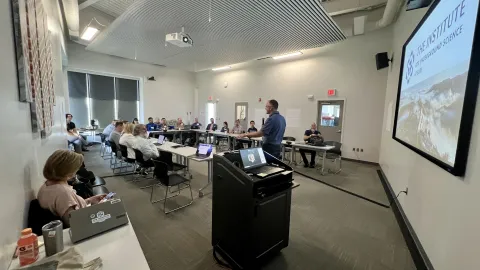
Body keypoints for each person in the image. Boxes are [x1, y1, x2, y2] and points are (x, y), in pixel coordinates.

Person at [37, 150, 106, 226]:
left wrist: (90, 200)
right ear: (67, 171)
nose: (76, 172)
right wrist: (98, 208)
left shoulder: (46, 186)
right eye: (75, 169)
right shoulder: (63, 193)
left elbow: (71, 206)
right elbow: (75, 223)